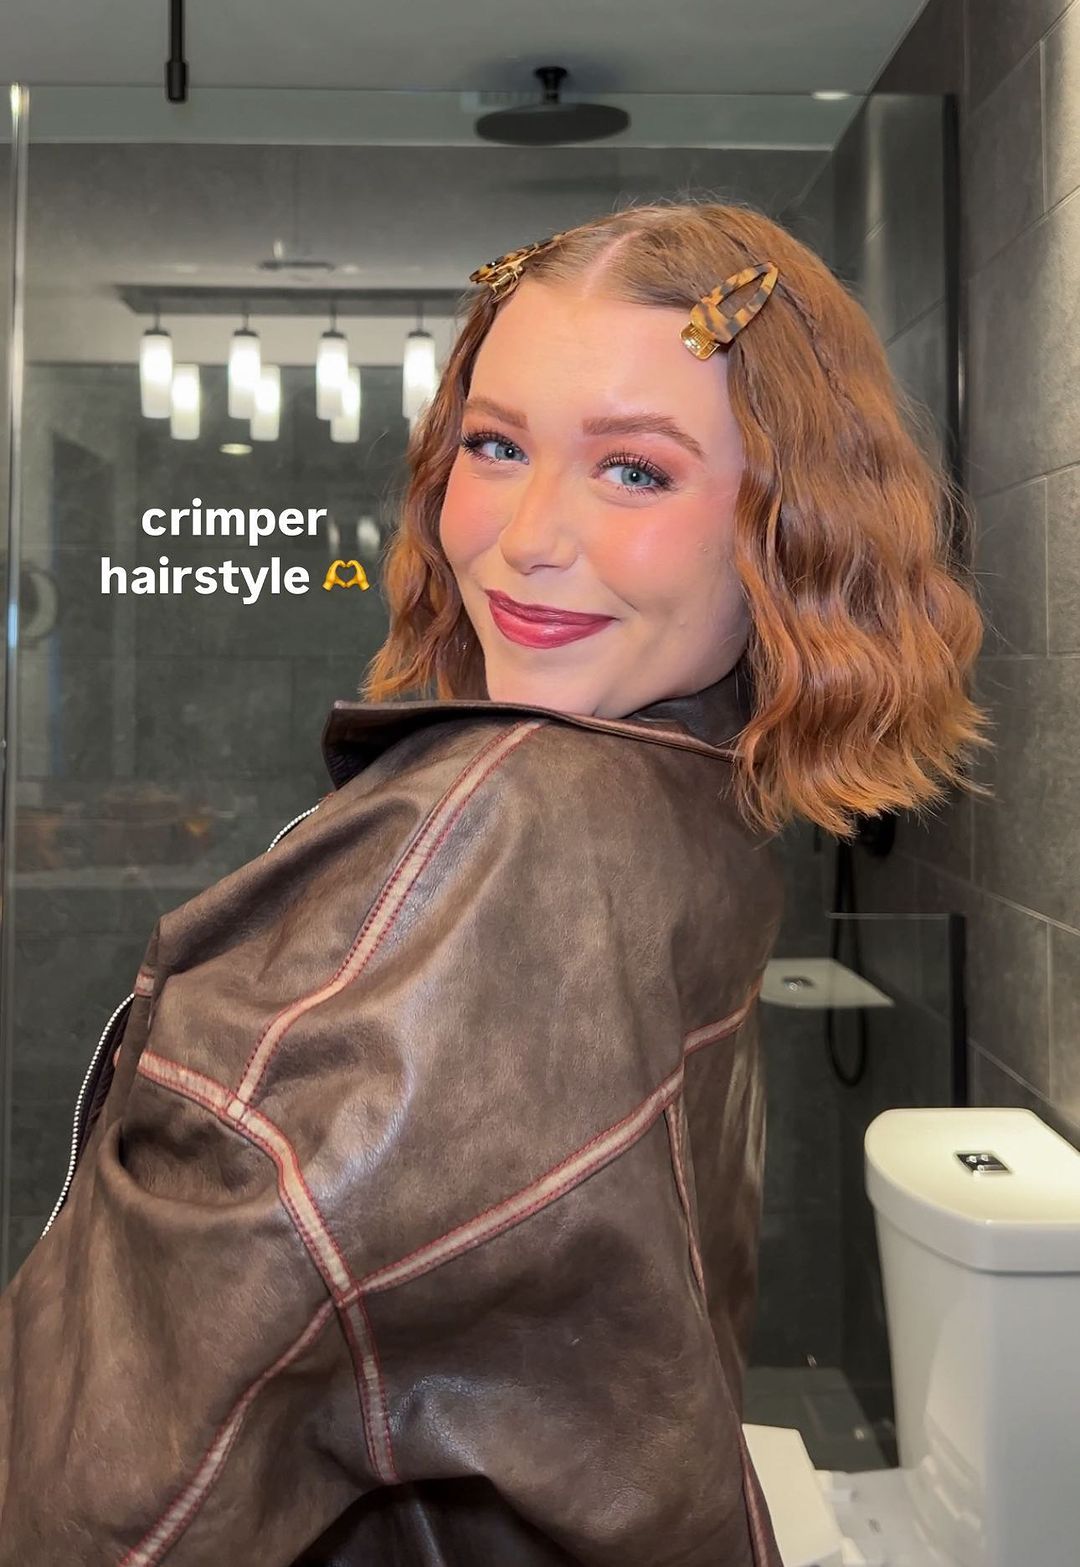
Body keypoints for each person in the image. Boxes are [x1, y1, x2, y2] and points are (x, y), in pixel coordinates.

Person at [0, 199, 990, 1564]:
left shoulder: (503, 837)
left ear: (790, 528)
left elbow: (106, 1498)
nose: (526, 537)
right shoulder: (682, 789)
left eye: (634, 470)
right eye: (496, 445)